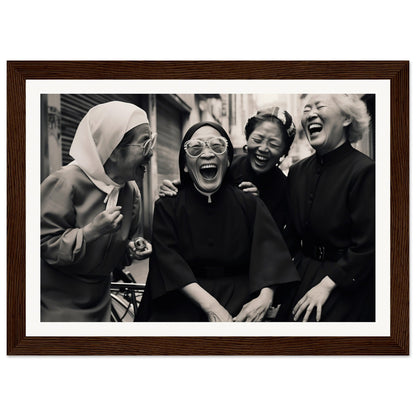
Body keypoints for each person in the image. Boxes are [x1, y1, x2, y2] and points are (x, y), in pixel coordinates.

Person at [137, 121, 299, 322]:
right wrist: (211, 306)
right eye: (196, 148)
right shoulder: (168, 206)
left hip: (240, 299)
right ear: (185, 165)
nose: (207, 154)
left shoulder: (250, 203)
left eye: (217, 146)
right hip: (183, 298)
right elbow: (169, 261)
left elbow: (271, 254)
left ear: (228, 159)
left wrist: (266, 296)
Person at [41, 101, 155, 322]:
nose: (151, 152)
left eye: (152, 141)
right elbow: (41, 245)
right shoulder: (64, 182)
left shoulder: (131, 191)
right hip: (54, 303)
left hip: (101, 302)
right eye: (144, 143)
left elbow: (116, 255)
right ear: (113, 150)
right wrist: (90, 232)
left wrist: (131, 249)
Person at [286, 94, 375, 322]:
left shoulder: (365, 171)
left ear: (346, 118)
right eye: (306, 109)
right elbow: (289, 237)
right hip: (302, 273)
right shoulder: (296, 172)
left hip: (346, 282)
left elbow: (368, 246)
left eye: (319, 106)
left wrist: (327, 285)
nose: (310, 114)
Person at [159, 107, 296, 233]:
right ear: (247, 138)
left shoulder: (285, 188)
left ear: (284, 151)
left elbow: (274, 238)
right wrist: (177, 187)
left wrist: (257, 206)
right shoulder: (227, 166)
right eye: (257, 139)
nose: (263, 148)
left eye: (273, 144)